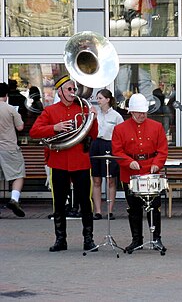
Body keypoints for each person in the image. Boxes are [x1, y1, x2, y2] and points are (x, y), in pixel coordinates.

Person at [29, 75, 99, 252]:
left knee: (85, 201)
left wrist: (94, 118)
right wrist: (55, 128)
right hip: (59, 161)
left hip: (80, 161)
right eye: (69, 89)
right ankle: (61, 239)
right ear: (60, 91)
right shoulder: (50, 111)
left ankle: (88, 239)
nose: (73, 92)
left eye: (74, 89)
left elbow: (93, 135)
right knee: (59, 202)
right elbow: (35, 132)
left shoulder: (82, 109)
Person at [112, 93, 168, 253]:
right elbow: (117, 151)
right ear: (131, 112)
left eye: (144, 112)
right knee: (134, 208)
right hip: (130, 172)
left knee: (154, 207)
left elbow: (162, 150)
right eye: (138, 113)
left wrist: (157, 164)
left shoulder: (156, 127)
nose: (142, 115)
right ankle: (137, 240)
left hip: (151, 170)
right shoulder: (120, 129)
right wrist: (129, 162)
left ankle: (156, 239)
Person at [90, 89, 124, 220]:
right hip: (96, 145)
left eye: (100, 98)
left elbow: (121, 134)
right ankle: (98, 211)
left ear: (107, 100)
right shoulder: (95, 114)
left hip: (110, 145)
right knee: (96, 179)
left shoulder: (116, 116)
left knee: (111, 179)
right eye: (97, 98)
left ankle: (109, 211)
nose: (98, 101)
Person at [0, 82, 26, 217]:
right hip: (8, 146)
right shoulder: (10, 109)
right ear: (6, 94)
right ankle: (14, 199)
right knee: (18, 174)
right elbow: (20, 127)